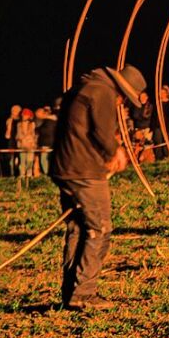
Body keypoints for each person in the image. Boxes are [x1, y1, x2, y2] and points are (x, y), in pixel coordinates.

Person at [51, 64, 146, 310]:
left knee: (77, 229)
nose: (121, 103)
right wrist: (115, 152)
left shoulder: (82, 88)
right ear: (122, 91)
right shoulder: (102, 92)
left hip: (65, 167)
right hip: (85, 171)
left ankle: (70, 292)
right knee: (99, 229)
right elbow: (101, 132)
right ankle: (84, 293)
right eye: (125, 99)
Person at [36, 103, 58, 176]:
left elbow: (55, 118)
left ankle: (51, 173)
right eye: (44, 110)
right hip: (44, 142)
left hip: (53, 142)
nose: (46, 111)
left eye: (48, 109)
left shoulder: (53, 117)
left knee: (51, 159)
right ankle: (46, 174)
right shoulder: (41, 120)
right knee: (43, 159)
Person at [16, 108, 38, 178]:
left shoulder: (32, 124)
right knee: (22, 161)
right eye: (23, 115)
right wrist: (21, 139)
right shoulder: (19, 124)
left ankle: (29, 174)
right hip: (22, 145)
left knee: (30, 160)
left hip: (30, 145)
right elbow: (18, 135)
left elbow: (34, 134)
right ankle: (22, 174)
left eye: (25, 115)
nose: (23, 116)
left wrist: (31, 141)